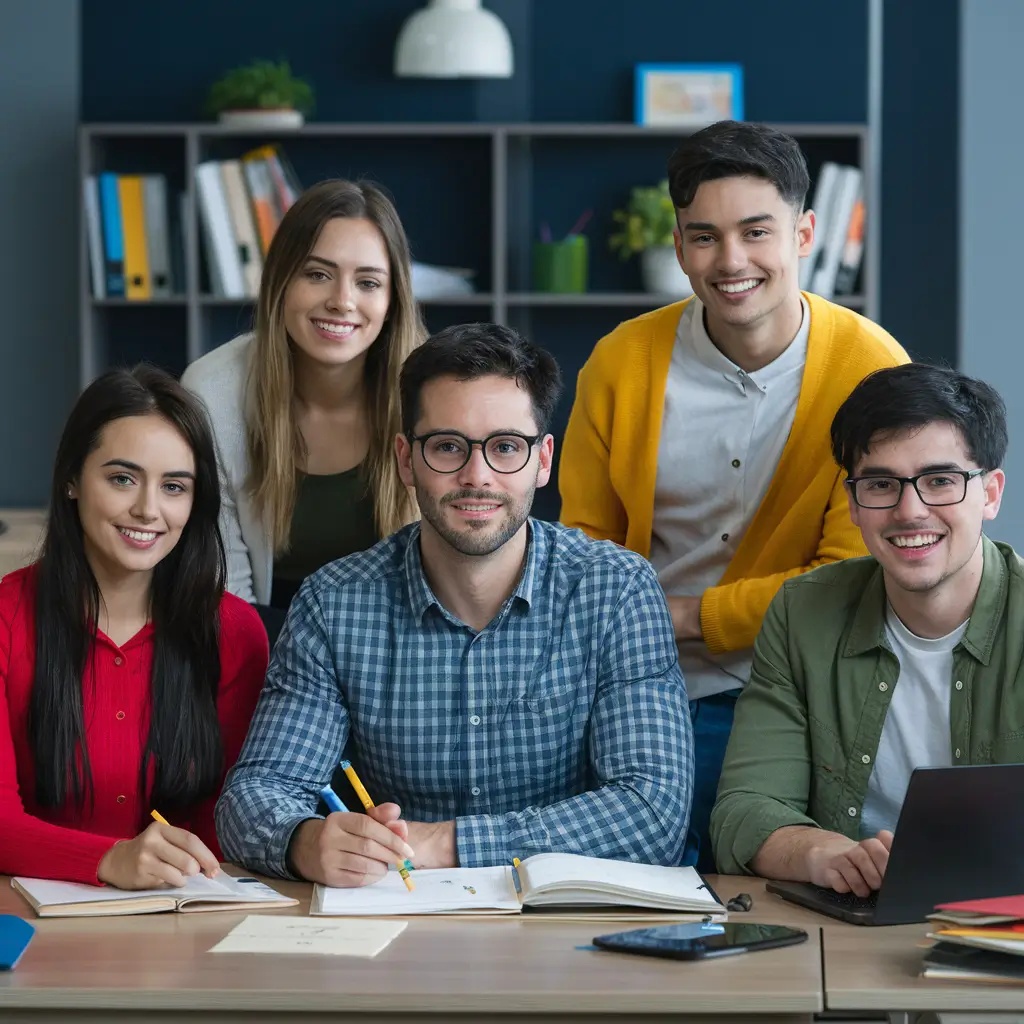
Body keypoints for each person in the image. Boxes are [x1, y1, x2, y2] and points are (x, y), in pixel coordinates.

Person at [216, 323, 693, 885]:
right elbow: (253, 796)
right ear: (404, 459)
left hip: (566, 934)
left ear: (543, 461)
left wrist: (448, 841)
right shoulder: (334, 604)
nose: (477, 476)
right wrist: (305, 841)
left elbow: (654, 812)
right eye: (447, 446)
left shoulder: (616, 591)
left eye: (505, 447)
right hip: (399, 929)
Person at [559, 119, 909, 870]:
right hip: (636, 683)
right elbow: (584, 543)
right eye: (705, 236)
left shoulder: (871, 369)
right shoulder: (621, 362)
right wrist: (643, 636)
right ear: (679, 243)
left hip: (794, 684)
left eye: (757, 231)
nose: (732, 260)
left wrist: (685, 617)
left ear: (805, 232)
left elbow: (853, 576)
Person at [711, 363, 1016, 896]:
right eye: (881, 484)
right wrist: (820, 853)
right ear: (853, 503)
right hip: (849, 918)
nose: (910, 510)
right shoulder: (803, 612)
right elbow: (743, 811)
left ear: (990, 494)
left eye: (940, 481)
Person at [0, 366, 268, 887]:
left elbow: (229, 817)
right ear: (72, 479)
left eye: (173, 487)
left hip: (183, 911)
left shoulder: (235, 631)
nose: (148, 510)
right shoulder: (7, 618)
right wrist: (109, 859)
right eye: (122, 478)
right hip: (29, 914)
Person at [181, 178, 426, 643]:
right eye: (317, 274)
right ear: (281, 282)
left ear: (393, 301)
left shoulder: (434, 395)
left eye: (368, 282)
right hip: (260, 636)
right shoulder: (211, 392)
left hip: (401, 641)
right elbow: (224, 592)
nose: (342, 300)